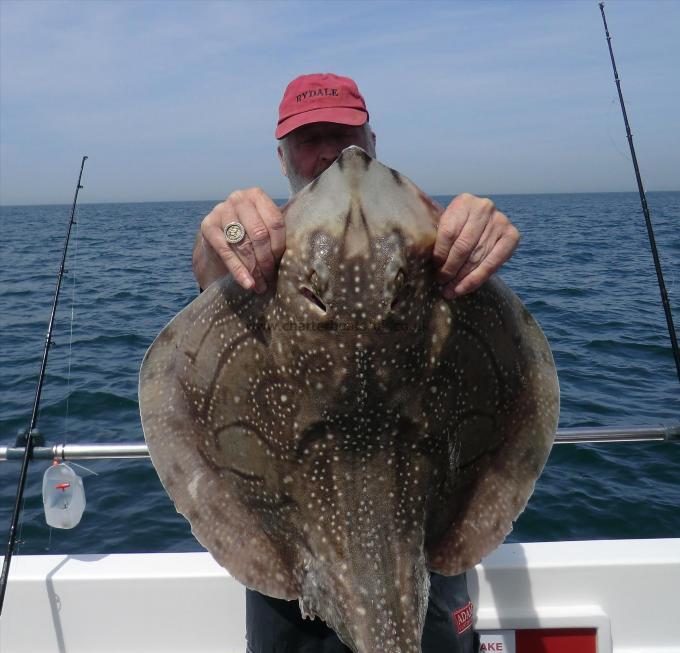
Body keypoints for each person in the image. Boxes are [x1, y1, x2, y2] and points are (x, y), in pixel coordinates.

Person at [192, 73, 520, 653]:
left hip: (422, 546)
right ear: (282, 156)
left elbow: (497, 350)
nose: (330, 154)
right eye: (308, 139)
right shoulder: (257, 243)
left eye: (343, 135)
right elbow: (210, 278)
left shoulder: (430, 241)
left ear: (371, 140)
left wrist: (477, 235)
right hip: (293, 556)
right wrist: (218, 236)